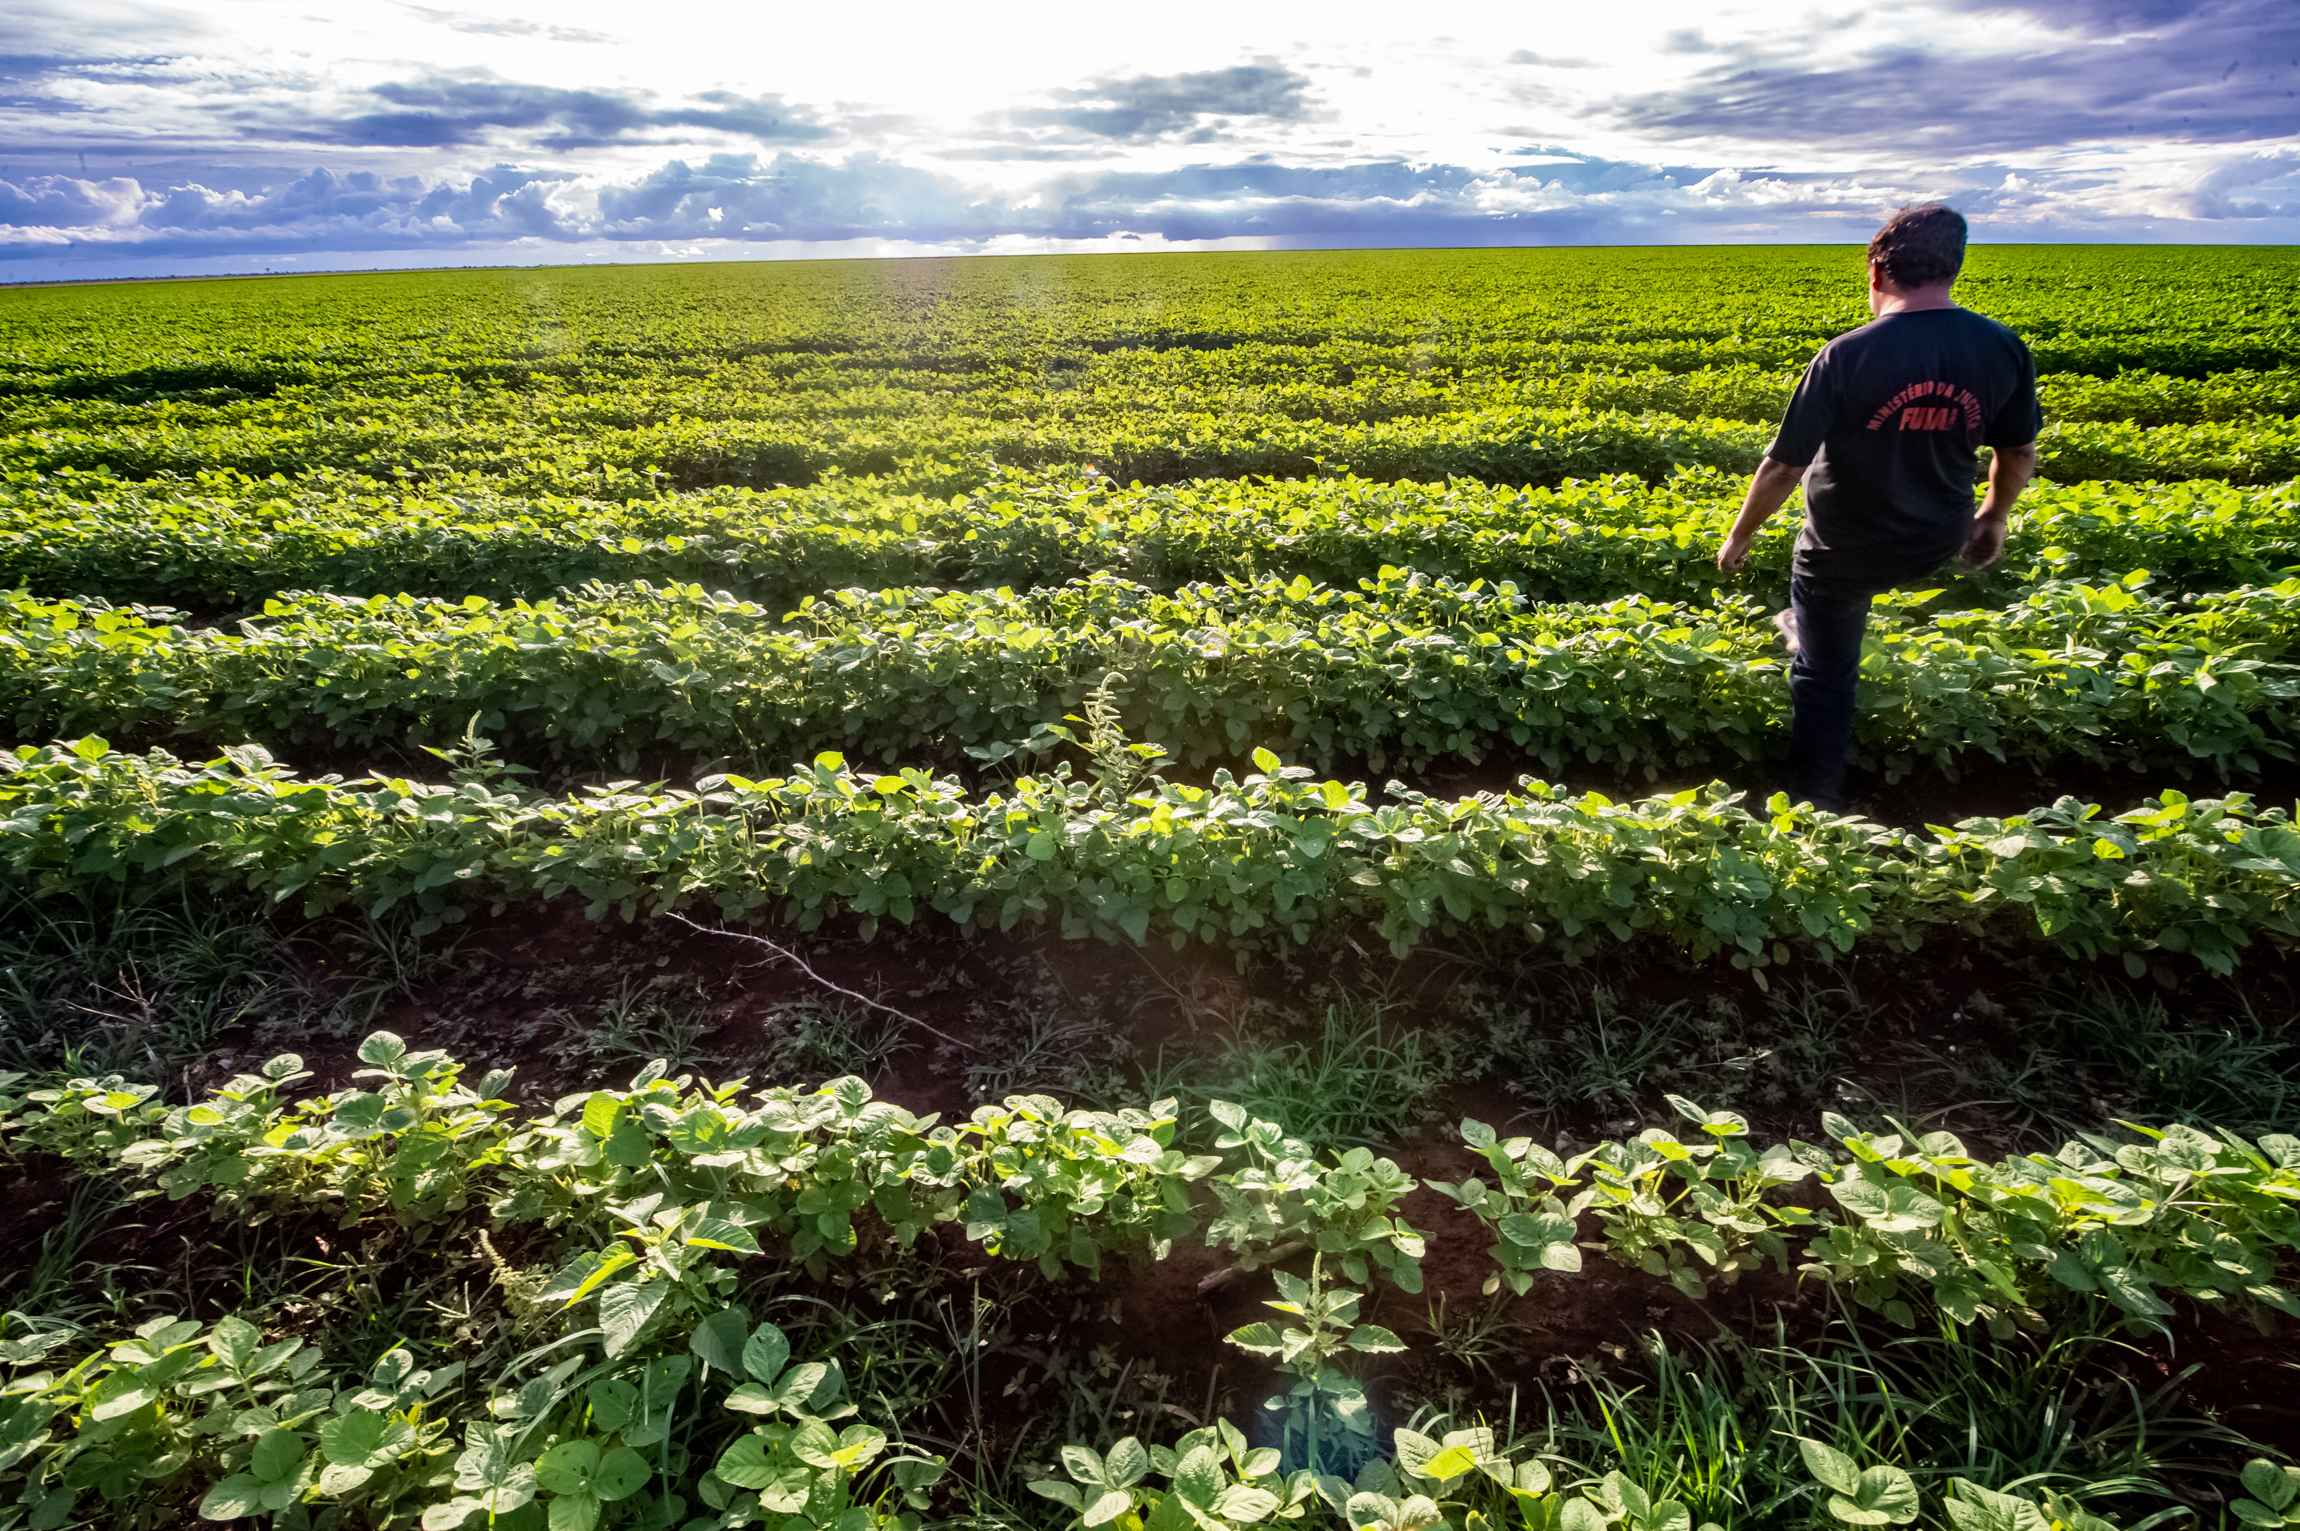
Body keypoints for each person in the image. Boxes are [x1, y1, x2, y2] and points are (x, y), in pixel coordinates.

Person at [1716, 202, 2041, 813]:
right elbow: (2017, 451)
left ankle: (1815, 798)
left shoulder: (1847, 354)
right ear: (1953, 269)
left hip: (1844, 553)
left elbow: (1784, 466)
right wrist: (1993, 517)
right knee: (1837, 604)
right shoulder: (2002, 347)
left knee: (1825, 673)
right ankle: (1805, 625)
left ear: (1875, 273)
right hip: (1936, 539)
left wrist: (1739, 536)